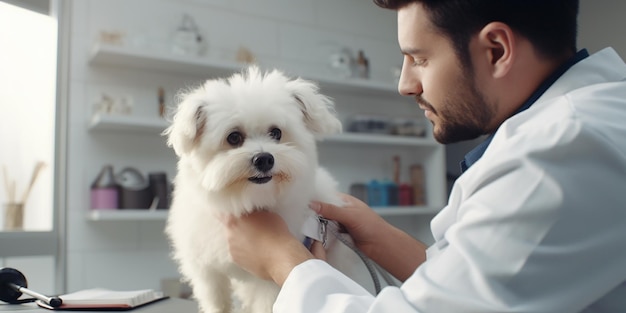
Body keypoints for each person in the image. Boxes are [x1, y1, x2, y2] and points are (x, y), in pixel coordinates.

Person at [224, 0, 626, 311]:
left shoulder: (559, 152)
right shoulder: (580, 124)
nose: (405, 84)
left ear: (497, 50)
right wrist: (379, 237)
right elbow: (482, 288)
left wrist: (284, 262)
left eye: (419, 59)